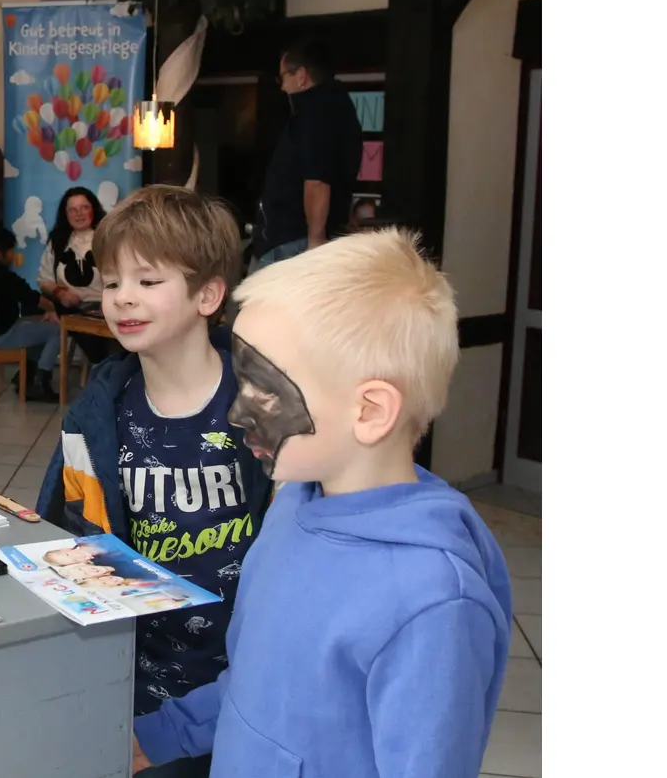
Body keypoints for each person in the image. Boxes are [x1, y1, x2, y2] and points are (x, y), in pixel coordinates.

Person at [131, 228, 513, 777]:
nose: (238, 413)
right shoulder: (291, 508)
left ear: (370, 411)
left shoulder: (433, 604)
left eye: (265, 389)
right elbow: (256, 680)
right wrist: (160, 737)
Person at [34, 185, 275, 778]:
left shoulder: (261, 410)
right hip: (130, 682)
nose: (122, 300)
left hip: (239, 691)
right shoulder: (96, 416)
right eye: (112, 282)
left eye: (148, 281)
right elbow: (57, 536)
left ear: (207, 294)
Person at [251, 40, 364, 270]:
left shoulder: (315, 112)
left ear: (301, 76)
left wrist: (315, 240)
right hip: (303, 236)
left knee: (262, 304)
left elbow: (318, 179)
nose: (282, 87)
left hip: (291, 239)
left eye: (284, 77)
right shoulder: (339, 106)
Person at [0, 225, 59, 400]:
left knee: (37, 328)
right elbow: (32, 298)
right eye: (11, 251)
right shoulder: (3, 277)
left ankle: (26, 376)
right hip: (1, 336)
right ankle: (40, 381)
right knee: (57, 329)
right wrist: (52, 308)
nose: (14, 255)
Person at [38, 186, 115, 367]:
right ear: (65, 214)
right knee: (94, 339)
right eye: (72, 210)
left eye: (84, 208)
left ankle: (116, 376)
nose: (78, 214)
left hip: (107, 305)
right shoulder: (58, 241)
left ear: (94, 209)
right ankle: (104, 374)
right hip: (72, 307)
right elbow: (44, 280)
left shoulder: (108, 238)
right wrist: (59, 292)